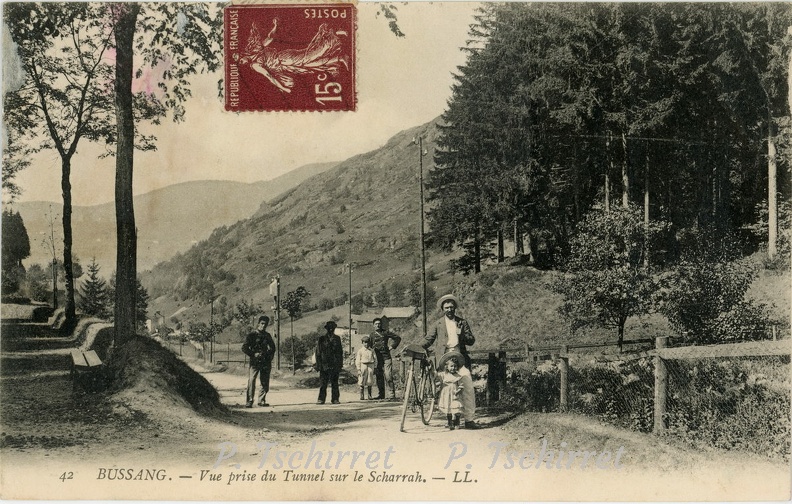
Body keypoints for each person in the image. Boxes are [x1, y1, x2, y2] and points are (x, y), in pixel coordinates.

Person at [238, 19, 349, 94]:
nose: (242, 63)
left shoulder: (255, 60)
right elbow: (270, 75)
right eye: (240, 63)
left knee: (310, 56)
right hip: (286, 64)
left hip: (285, 59)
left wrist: (284, 88)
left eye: (240, 60)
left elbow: (269, 76)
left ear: (243, 55)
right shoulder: (255, 58)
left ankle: (332, 34)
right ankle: (340, 58)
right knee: (310, 64)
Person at [422, 294, 478, 429]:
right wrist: (416, 348)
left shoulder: (462, 322)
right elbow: (428, 339)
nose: (449, 310)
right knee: (446, 388)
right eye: (446, 307)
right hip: (444, 360)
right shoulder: (438, 323)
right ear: (442, 309)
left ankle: (469, 420)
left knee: (468, 386)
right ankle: (450, 418)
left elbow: (471, 341)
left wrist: (462, 334)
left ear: (455, 308)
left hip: (460, 359)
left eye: (451, 307)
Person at [241, 315, 276, 408]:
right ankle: (249, 401)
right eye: (262, 323)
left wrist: (268, 355)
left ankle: (262, 400)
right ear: (258, 324)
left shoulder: (267, 336)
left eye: (266, 324)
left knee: (264, 380)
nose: (263, 326)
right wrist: (253, 354)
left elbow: (273, 348)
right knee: (252, 380)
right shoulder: (252, 335)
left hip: (265, 361)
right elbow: (244, 347)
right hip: (255, 362)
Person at [370, 316, 401, 400]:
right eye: (376, 324)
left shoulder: (385, 332)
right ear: (373, 325)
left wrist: (391, 347)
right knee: (379, 376)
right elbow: (369, 346)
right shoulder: (372, 335)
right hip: (377, 359)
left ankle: (391, 394)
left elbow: (397, 338)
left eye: (379, 324)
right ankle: (381, 394)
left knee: (388, 375)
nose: (378, 325)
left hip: (386, 357)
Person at [315, 320, 344, 405]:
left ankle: (335, 399)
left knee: (335, 383)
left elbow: (340, 352)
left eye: (332, 328)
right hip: (324, 364)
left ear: (334, 329)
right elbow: (318, 352)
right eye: (329, 328)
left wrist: (340, 364)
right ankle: (321, 399)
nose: (331, 329)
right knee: (323, 383)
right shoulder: (322, 339)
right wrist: (318, 365)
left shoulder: (337, 339)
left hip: (334, 364)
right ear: (326, 329)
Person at [436, 352, 465, 430]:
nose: (453, 368)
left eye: (455, 366)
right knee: (448, 408)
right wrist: (431, 367)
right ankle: (450, 422)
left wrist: (458, 390)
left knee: (456, 408)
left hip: (455, 394)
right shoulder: (444, 375)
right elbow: (435, 374)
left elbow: (461, 385)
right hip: (446, 394)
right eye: (451, 366)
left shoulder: (458, 376)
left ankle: (457, 421)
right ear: (447, 367)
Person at [355, 335, 378, 401]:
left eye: (367, 342)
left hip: (371, 365)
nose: (366, 344)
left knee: (370, 379)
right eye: (364, 342)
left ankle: (369, 395)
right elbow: (358, 360)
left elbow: (375, 359)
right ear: (362, 343)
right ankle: (361, 394)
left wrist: (375, 367)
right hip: (363, 365)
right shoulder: (360, 351)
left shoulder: (372, 350)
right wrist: (359, 369)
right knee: (362, 379)